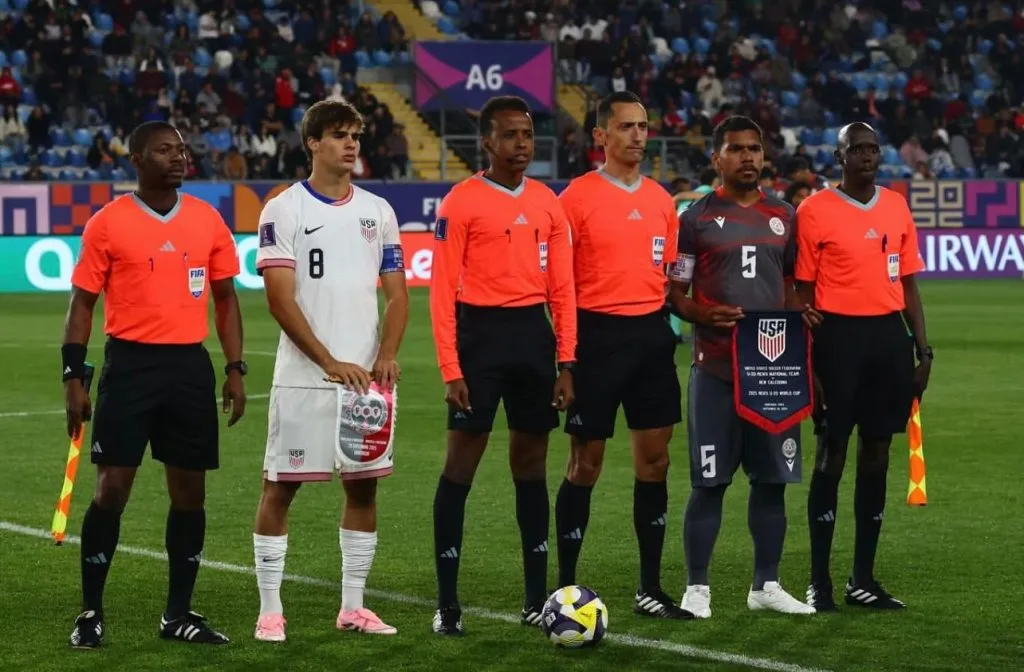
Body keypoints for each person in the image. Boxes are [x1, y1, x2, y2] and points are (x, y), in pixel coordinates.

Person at [63, 120, 247, 648]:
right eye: (165, 150)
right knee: (112, 489)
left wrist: (235, 369)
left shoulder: (208, 220)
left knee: (190, 494)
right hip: (130, 367)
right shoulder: (107, 222)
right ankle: (91, 612)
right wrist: (73, 374)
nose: (178, 157)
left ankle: (178, 614)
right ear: (137, 160)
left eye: (182, 150)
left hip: (190, 368)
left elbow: (226, 299)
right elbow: (83, 303)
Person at [251, 98, 410, 641]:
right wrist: (328, 362)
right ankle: (270, 609)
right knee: (281, 488)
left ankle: (353, 607)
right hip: (303, 380)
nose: (351, 145)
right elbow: (279, 300)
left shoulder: (379, 212)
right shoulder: (284, 209)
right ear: (313, 143)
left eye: (356, 136)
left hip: (366, 382)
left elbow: (397, 295)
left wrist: (385, 354)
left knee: (364, 490)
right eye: (340, 135)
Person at [429, 95, 577, 635]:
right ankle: (447, 605)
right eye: (511, 135)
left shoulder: (547, 203)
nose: (522, 144)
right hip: (479, 339)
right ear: (487, 142)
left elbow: (562, 288)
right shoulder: (460, 203)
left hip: (532, 340)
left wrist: (567, 361)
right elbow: (442, 292)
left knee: (531, 468)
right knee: (459, 469)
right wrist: (451, 368)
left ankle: (536, 599)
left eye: (528, 134)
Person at [668, 115, 820, 618]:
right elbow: (674, 294)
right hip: (715, 367)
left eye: (755, 149)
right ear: (717, 159)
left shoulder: (786, 216)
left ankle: (766, 585)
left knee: (773, 480)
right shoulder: (695, 219)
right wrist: (702, 313)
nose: (748, 157)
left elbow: (798, 284)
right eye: (737, 149)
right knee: (709, 480)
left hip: (773, 372)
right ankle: (697, 588)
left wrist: (802, 311)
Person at [554, 91, 690, 620]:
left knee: (655, 461)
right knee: (585, 462)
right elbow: (560, 285)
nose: (638, 135)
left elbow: (674, 278)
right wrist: (566, 357)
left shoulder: (661, 201)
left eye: (644, 125)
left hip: (653, 336)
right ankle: (564, 590)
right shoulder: (575, 199)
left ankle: (651, 588)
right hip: (597, 337)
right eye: (627, 126)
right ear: (600, 137)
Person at [796, 122, 931, 611]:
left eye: (874, 148)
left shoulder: (896, 204)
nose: (868, 155)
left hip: (888, 340)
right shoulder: (813, 211)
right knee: (832, 453)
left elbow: (910, 282)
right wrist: (809, 361)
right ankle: (819, 581)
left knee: (878, 454)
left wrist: (923, 348)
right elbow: (802, 292)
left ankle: (862, 579)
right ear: (839, 156)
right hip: (838, 340)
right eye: (858, 148)